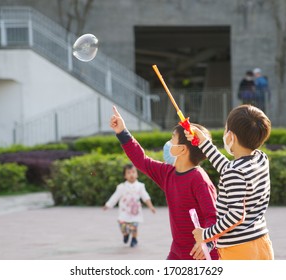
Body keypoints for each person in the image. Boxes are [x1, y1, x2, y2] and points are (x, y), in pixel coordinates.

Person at [110, 106, 218, 260]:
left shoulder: (199, 179)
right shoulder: (167, 173)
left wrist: (208, 243)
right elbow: (142, 161)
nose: (168, 143)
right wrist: (122, 132)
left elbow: (212, 216)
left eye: (172, 138)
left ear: (182, 149)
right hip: (177, 251)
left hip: (200, 254)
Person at [187, 104, 274, 260]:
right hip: (261, 243)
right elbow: (229, 169)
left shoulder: (234, 172)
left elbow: (235, 216)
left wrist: (206, 234)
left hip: (239, 250)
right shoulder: (261, 158)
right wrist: (204, 143)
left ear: (231, 137)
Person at [103, 163, 156, 247]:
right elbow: (115, 197)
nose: (131, 174)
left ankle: (134, 239)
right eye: (128, 172)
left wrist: (151, 206)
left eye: (133, 172)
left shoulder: (140, 186)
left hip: (135, 212)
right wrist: (108, 205)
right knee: (122, 226)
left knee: (134, 227)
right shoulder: (121, 187)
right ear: (125, 176)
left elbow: (145, 197)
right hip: (124, 212)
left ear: (137, 174)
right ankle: (125, 234)